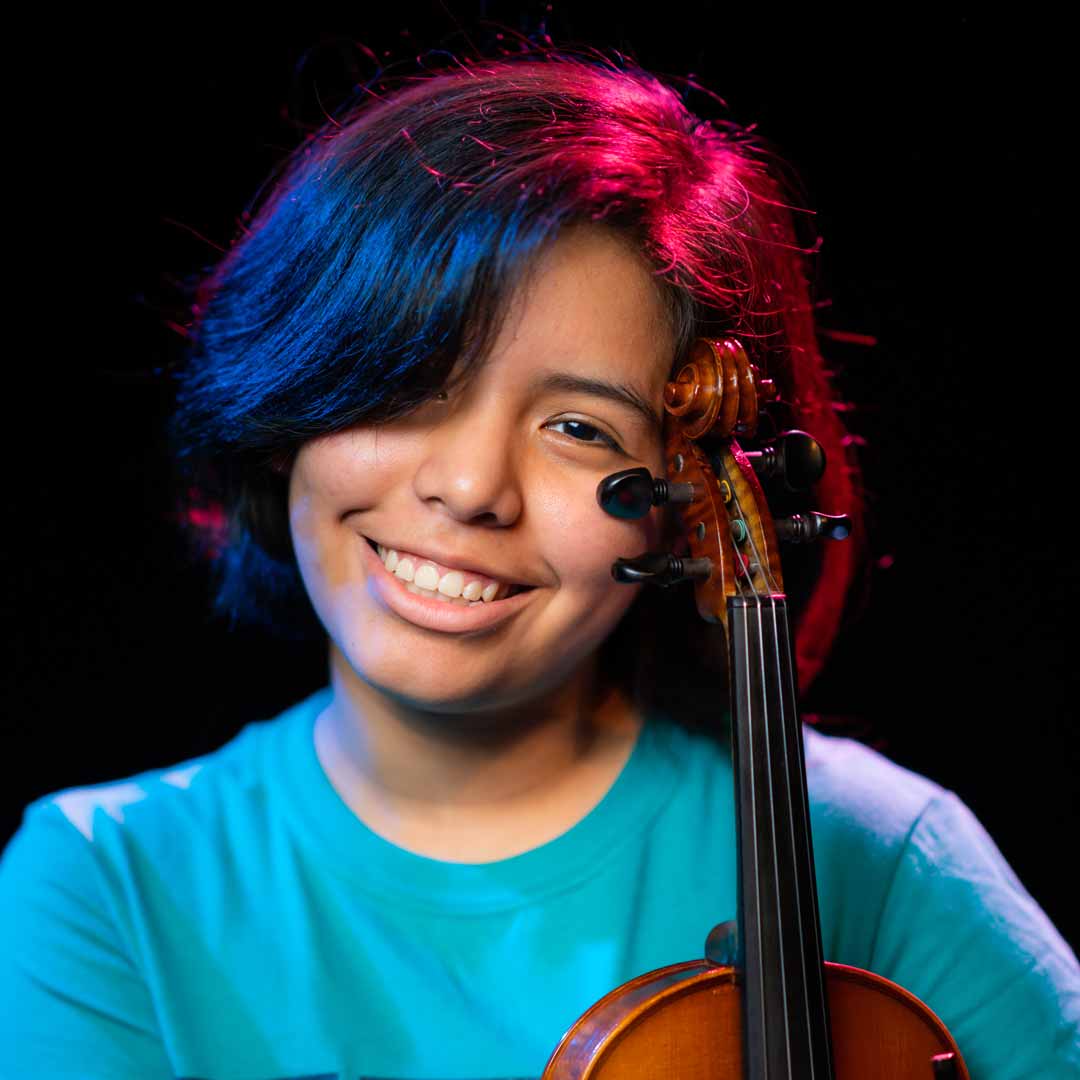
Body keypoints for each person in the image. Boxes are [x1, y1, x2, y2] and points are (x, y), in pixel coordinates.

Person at [2, 48, 1077, 1080]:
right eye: (408, 382)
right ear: (292, 403)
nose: (472, 489)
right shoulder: (108, 887)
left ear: (676, 505)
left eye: (580, 428)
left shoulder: (875, 853)